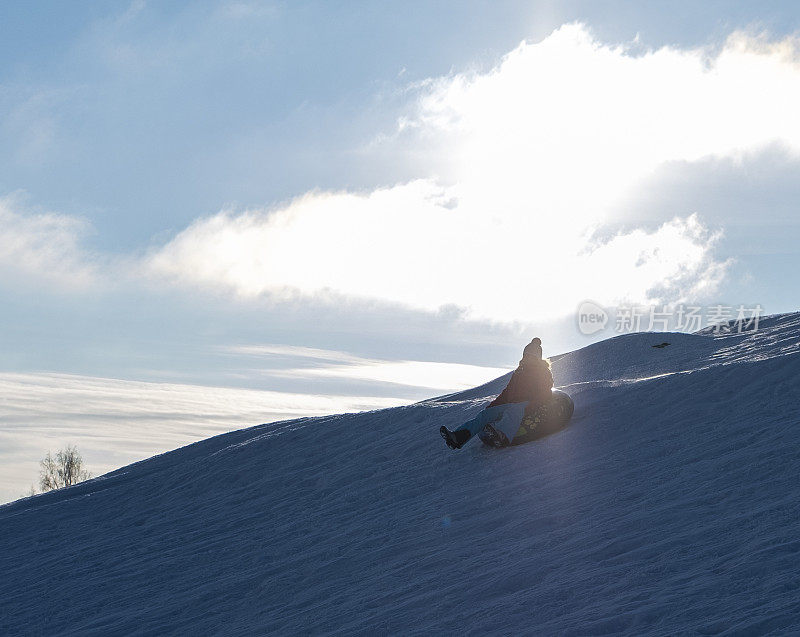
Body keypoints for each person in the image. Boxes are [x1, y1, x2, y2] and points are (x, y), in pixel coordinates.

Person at [440, 337, 554, 449]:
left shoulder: (542, 371)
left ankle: (501, 436)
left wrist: (532, 405)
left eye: (530, 356)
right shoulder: (519, 373)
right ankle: (457, 437)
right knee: (485, 415)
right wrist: (492, 407)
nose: (527, 358)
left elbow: (545, 392)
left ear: (536, 358)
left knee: (514, 410)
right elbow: (507, 393)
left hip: (528, 404)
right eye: (525, 355)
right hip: (511, 404)